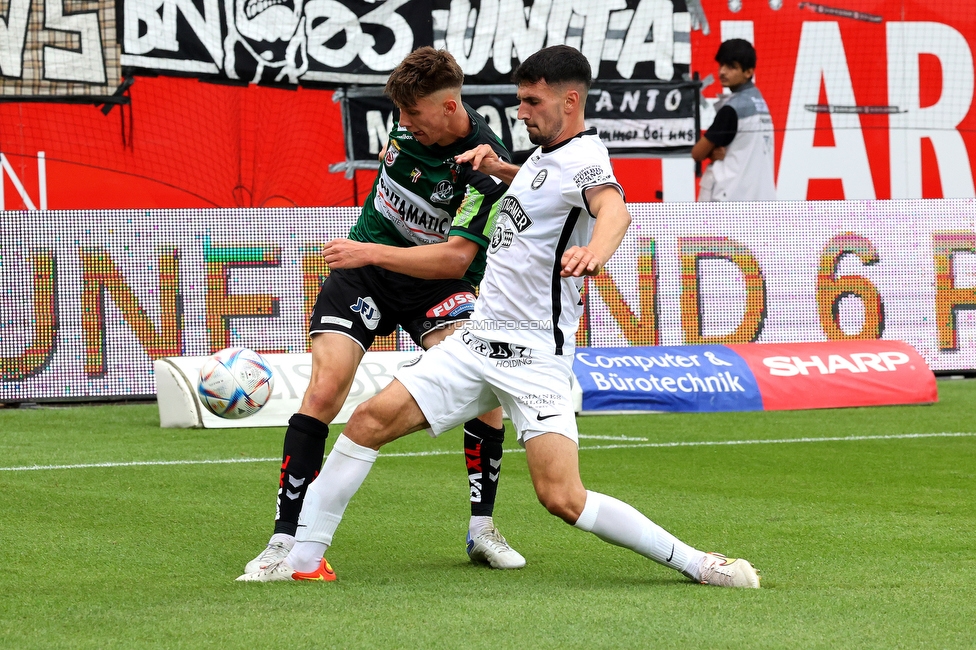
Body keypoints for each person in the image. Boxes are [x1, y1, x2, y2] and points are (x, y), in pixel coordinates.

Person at [238, 44, 760, 588]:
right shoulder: (542, 155)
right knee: (368, 420)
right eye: (519, 100)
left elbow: (614, 208)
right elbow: (542, 189)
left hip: (534, 357)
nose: (521, 111)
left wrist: (598, 250)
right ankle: (301, 561)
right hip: (478, 342)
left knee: (562, 497)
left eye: (532, 101)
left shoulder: (586, 157)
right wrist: (502, 168)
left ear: (571, 101)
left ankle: (699, 563)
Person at [243, 46, 526, 578]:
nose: (403, 124)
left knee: (483, 390)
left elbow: (456, 258)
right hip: (364, 275)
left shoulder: (483, 161)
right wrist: (371, 251)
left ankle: (482, 529)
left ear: (447, 108)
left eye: (413, 114)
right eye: (400, 114)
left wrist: (371, 249)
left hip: (434, 282)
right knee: (324, 391)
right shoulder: (407, 129)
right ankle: (284, 538)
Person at [692, 38, 776, 202]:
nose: (722, 71)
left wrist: (712, 152)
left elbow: (697, 152)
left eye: (731, 67)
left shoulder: (732, 109)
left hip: (730, 198)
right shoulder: (760, 102)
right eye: (721, 65)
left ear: (749, 72)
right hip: (759, 198)